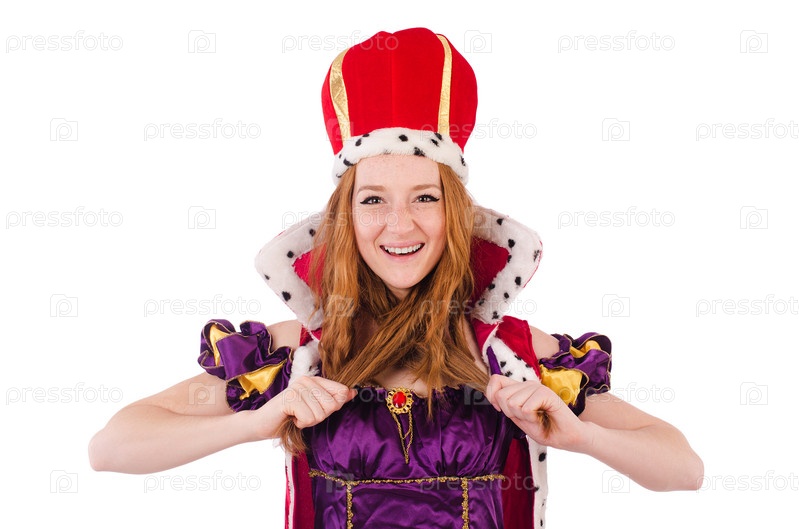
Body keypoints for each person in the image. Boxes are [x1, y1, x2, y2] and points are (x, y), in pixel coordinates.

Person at [89, 27, 703, 529]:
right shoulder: (295, 351)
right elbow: (112, 448)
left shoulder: (515, 353)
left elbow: (684, 468)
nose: (399, 224)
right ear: (345, 217)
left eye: (425, 198)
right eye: (374, 199)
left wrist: (580, 437)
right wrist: (256, 421)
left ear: (455, 214)